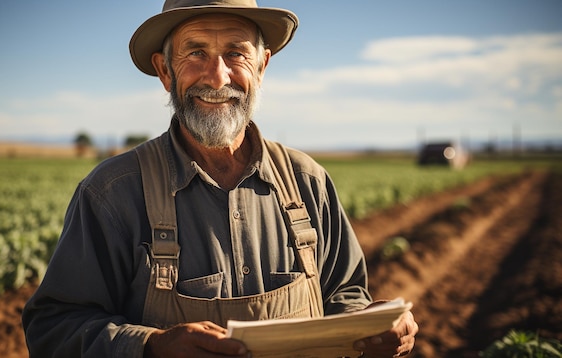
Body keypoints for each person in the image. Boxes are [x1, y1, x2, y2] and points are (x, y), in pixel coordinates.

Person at [22, 0, 418, 357]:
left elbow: (345, 294)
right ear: (165, 70)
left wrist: (373, 327)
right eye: (196, 52)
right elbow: (53, 328)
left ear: (261, 67)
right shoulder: (113, 193)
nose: (217, 77)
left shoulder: (307, 181)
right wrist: (150, 346)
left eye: (236, 53)